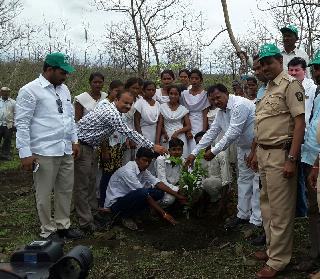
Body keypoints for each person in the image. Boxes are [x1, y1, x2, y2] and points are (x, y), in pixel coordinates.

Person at [15, 52, 82, 240]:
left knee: (65, 189)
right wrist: (25, 153)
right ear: (49, 69)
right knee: (44, 192)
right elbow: (22, 123)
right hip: (43, 150)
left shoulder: (64, 89)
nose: (65, 76)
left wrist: (74, 141)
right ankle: (48, 230)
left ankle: (63, 225)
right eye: (62, 72)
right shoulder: (30, 90)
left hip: (64, 148)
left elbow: (70, 118)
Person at [253, 43, 305, 278]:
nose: (265, 67)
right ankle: (272, 249)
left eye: (269, 63)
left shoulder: (290, 85)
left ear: (280, 62)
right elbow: (262, 123)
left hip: (281, 154)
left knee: (281, 210)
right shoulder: (266, 89)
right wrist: (255, 152)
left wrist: (291, 159)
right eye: (262, 64)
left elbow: (299, 124)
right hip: (264, 154)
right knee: (267, 205)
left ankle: (278, 260)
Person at [185, 84, 262, 232]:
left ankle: (256, 220)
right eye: (212, 100)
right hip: (242, 148)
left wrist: (214, 151)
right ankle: (242, 215)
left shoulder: (241, 105)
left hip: (257, 147)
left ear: (226, 93)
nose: (216, 102)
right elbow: (211, 133)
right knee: (243, 180)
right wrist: (194, 153)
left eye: (218, 97)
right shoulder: (221, 112)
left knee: (256, 182)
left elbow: (233, 131)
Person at [104, 147, 187, 231]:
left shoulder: (143, 170)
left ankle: (135, 213)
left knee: (159, 192)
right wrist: (164, 213)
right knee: (142, 193)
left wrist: (178, 195)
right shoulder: (128, 171)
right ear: (137, 159)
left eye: (149, 162)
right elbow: (145, 195)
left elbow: (158, 183)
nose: (147, 164)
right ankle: (124, 216)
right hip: (115, 205)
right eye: (144, 160)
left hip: (129, 198)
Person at [76, 90, 166, 157]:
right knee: (84, 180)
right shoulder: (112, 113)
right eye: (125, 103)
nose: (128, 106)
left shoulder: (111, 108)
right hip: (82, 145)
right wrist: (153, 146)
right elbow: (128, 132)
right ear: (116, 100)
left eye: (130, 104)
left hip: (89, 146)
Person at [73, 72, 108, 233]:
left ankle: (93, 212)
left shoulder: (105, 98)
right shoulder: (81, 99)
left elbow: (106, 125)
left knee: (93, 180)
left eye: (100, 82)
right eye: (95, 82)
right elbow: (77, 122)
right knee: (82, 183)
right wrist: (76, 144)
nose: (98, 85)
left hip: (97, 144)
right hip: (83, 144)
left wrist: (105, 147)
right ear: (90, 83)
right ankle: (84, 219)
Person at [298, 50, 320, 273]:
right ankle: (315, 254)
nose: (317, 71)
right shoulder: (317, 93)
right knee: (313, 209)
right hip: (309, 156)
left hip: (317, 162)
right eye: (315, 67)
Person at [288, 57, 317, 218]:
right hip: (293, 137)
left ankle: (309, 211)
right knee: (297, 176)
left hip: (309, 138)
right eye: (290, 70)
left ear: (304, 71)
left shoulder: (312, 89)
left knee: (309, 177)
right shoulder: (288, 86)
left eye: (296, 70)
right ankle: (301, 212)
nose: (293, 73)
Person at [99, 80, 126, 208]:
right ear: (110, 90)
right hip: (108, 146)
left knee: (116, 176)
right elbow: (101, 129)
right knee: (107, 175)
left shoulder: (119, 105)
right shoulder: (104, 104)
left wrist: (124, 141)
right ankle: (102, 203)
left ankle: (112, 203)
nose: (118, 94)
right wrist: (104, 150)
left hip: (118, 145)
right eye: (116, 91)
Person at [194, 131, 232, 208]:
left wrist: (223, 202)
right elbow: (199, 179)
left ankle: (217, 200)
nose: (201, 145)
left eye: (203, 142)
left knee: (209, 182)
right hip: (206, 186)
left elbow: (226, 180)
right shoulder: (197, 158)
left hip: (219, 184)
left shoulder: (220, 154)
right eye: (198, 143)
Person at [156, 84, 191, 158]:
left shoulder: (183, 109)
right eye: (171, 93)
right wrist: (158, 141)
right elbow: (160, 125)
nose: (173, 96)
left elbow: (188, 126)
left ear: (179, 95)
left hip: (180, 137)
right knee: (166, 159)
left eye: (176, 94)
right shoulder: (162, 107)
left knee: (181, 159)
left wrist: (177, 132)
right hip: (166, 137)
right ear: (168, 94)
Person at [181, 69, 210, 154]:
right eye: (192, 78)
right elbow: (183, 113)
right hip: (188, 123)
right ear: (189, 79)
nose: (194, 80)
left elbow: (205, 114)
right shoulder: (184, 94)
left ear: (201, 80)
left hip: (200, 123)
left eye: (196, 78)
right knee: (189, 149)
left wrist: (203, 132)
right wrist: (187, 130)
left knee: (199, 148)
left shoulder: (205, 94)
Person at [155, 138, 185, 207]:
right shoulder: (161, 159)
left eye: (179, 149)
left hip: (177, 187)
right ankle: (156, 208)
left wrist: (183, 188)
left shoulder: (182, 160)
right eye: (174, 149)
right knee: (169, 199)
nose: (177, 152)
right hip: (162, 188)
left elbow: (184, 178)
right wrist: (178, 190)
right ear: (169, 150)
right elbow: (162, 181)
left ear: (183, 151)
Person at [122, 77, 143, 164]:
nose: (135, 90)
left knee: (135, 159)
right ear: (127, 88)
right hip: (124, 129)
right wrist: (128, 137)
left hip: (136, 129)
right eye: (133, 88)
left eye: (137, 88)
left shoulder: (140, 100)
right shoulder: (123, 99)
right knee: (125, 159)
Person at [0, 87, 15, 160]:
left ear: (9, 93)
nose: (5, 93)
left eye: (7, 92)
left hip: (8, 125)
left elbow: (16, 113)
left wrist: (15, 124)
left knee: (7, 140)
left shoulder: (13, 102)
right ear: (1, 92)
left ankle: (5, 155)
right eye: (3, 92)